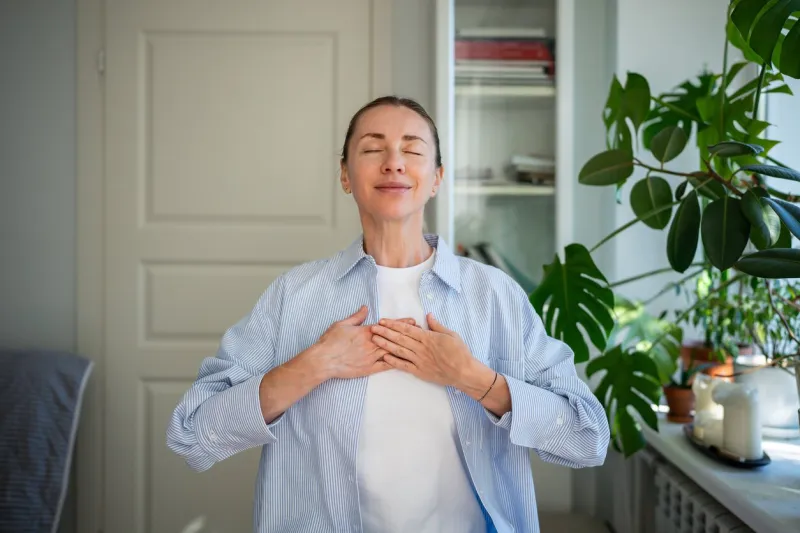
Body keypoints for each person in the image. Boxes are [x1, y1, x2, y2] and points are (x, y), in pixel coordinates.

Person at [166, 95, 610, 533]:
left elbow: (587, 438)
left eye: (413, 150)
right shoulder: (293, 297)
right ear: (345, 175)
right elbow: (192, 433)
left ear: (436, 178)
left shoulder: (495, 296)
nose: (394, 162)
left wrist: (474, 378)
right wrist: (314, 365)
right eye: (373, 149)